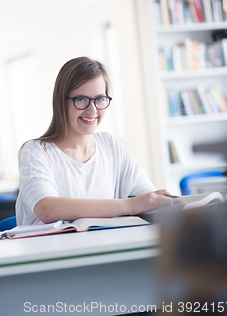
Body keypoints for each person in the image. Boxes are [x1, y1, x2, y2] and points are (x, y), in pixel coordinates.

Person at [16, 56, 182, 226]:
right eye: (81, 99)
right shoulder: (35, 151)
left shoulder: (109, 144)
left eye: (100, 99)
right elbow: (46, 209)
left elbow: (145, 198)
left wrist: (163, 203)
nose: (92, 110)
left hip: (105, 247)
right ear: (61, 101)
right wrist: (128, 205)